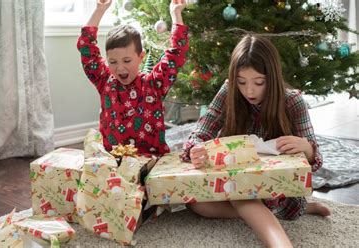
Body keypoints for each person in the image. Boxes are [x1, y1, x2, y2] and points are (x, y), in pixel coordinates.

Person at [181, 34, 331, 247]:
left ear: (273, 78)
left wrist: (307, 148)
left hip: (276, 190)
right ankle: (290, 211)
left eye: (259, 82)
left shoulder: (293, 101)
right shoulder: (229, 92)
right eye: (241, 82)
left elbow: (315, 160)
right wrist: (197, 149)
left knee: (239, 192)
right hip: (233, 182)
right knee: (195, 204)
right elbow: (200, 131)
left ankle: (281, 242)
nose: (249, 91)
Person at [77, 0, 189, 156]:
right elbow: (86, 47)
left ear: (140, 57)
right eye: (113, 62)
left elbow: (176, 53)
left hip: (151, 159)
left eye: (127, 61)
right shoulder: (105, 81)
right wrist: (99, 10)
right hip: (113, 157)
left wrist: (176, 13)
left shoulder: (154, 84)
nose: (120, 68)